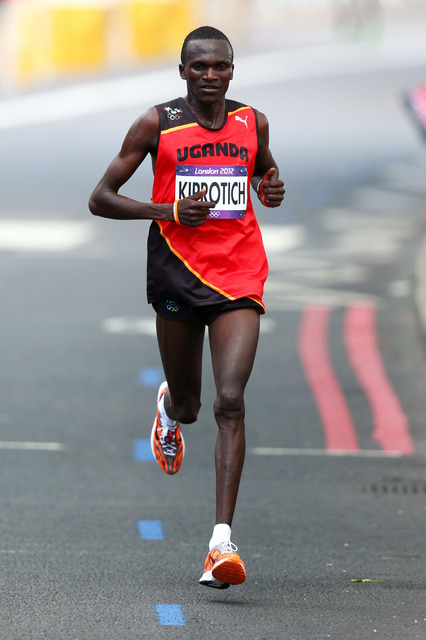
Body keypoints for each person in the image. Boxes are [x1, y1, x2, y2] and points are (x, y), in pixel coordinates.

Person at [89, 25, 285, 589]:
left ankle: (220, 543)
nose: (209, 75)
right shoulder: (157, 123)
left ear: (231, 71)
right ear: (182, 72)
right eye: (198, 66)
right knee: (194, 405)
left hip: (239, 274)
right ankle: (169, 408)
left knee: (230, 400)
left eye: (219, 66)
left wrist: (269, 188)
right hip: (177, 270)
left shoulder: (253, 122)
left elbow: (263, 174)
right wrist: (167, 208)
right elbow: (100, 197)